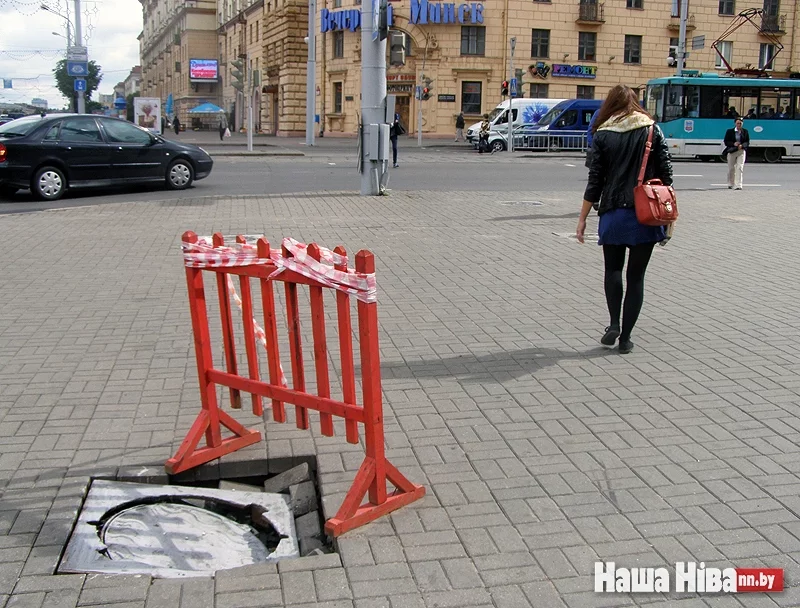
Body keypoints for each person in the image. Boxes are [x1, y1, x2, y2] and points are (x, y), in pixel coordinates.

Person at [576, 84, 673, 355]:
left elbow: (595, 181)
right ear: (635, 102)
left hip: (613, 213)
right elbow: (667, 175)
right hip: (646, 214)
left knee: (613, 270)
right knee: (637, 277)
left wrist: (582, 218)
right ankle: (627, 338)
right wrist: (670, 217)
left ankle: (613, 323)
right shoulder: (652, 129)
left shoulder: (604, 134)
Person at [724, 117, 749, 190]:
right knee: (731, 168)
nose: (739, 124)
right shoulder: (730, 131)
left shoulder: (745, 131)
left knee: (739, 167)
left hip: (741, 151)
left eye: (740, 123)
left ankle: (738, 184)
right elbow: (726, 142)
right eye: (738, 123)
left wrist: (742, 145)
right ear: (735, 123)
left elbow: (747, 142)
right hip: (732, 151)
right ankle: (731, 183)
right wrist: (733, 144)